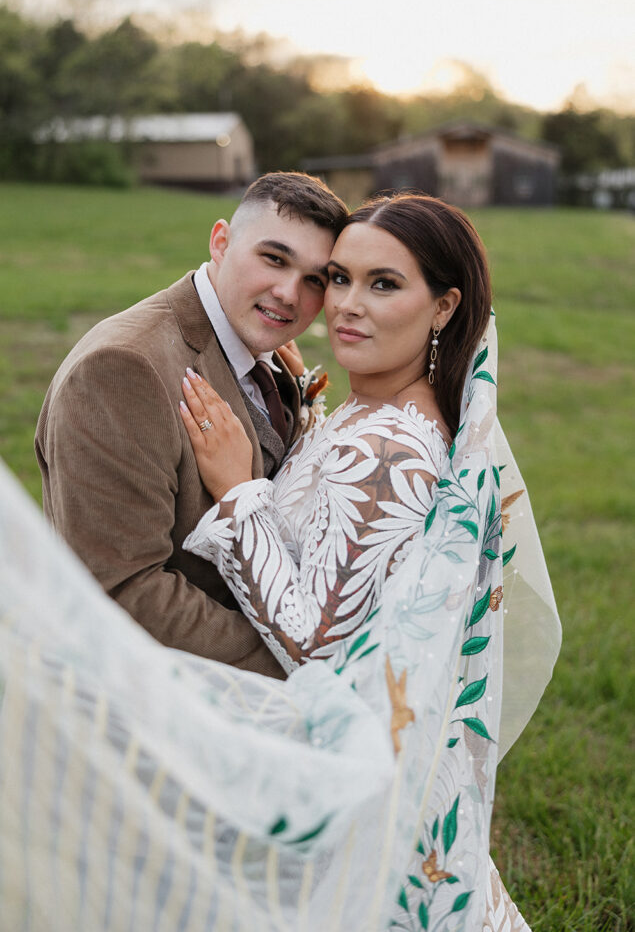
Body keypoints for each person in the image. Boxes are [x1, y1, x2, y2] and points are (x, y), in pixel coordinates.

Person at [179, 194, 560, 929]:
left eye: (383, 284)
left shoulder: (385, 450)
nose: (346, 307)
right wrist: (307, 409)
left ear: (444, 307)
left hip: (343, 775)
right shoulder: (388, 416)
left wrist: (239, 494)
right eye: (339, 279)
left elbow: (314, 644)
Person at [35, 171, 347, 679]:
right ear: (220, 241)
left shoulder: (257, 348)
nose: (290, 293)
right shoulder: (122, 369)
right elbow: (124, 589)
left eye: (315, 279)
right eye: (274, 258)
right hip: (146, 709)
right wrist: (300, 660)